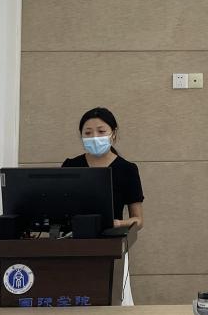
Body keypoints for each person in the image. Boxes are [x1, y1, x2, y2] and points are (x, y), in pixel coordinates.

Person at [62, 107, 144, 306]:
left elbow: (139, 220)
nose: (94, 137)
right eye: (88, 133)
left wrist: (118, 223)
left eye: (101, 131)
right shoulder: (71, 166)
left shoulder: (127, 169)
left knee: (112, 302)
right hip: (73, 246)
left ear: (113, 134)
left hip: (111, 246)